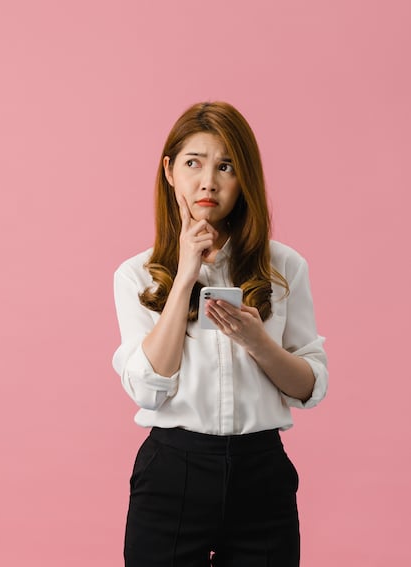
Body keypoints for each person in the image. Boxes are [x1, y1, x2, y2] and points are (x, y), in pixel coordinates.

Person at [111, 101, 328, 566]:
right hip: (173, 471)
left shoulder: (284, 267)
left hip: (260, 473)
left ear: (243, 176)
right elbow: (149, 390)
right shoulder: (135, 275)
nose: (208, 180)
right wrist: (185, 274)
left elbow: (309, 387)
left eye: (225, 166)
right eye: (193, 163)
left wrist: (257, 342)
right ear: (170, 171)